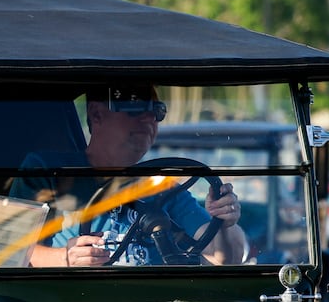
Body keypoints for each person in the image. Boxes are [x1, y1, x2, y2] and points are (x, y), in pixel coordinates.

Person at [13, 85, 248, 267]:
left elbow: (226, 260)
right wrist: (66, 258)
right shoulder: (47, 170)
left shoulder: (162, 188)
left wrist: (225, 221)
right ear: (96, 114)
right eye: (134, 106)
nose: (149, 118)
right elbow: (9, 251)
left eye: (157, 111)